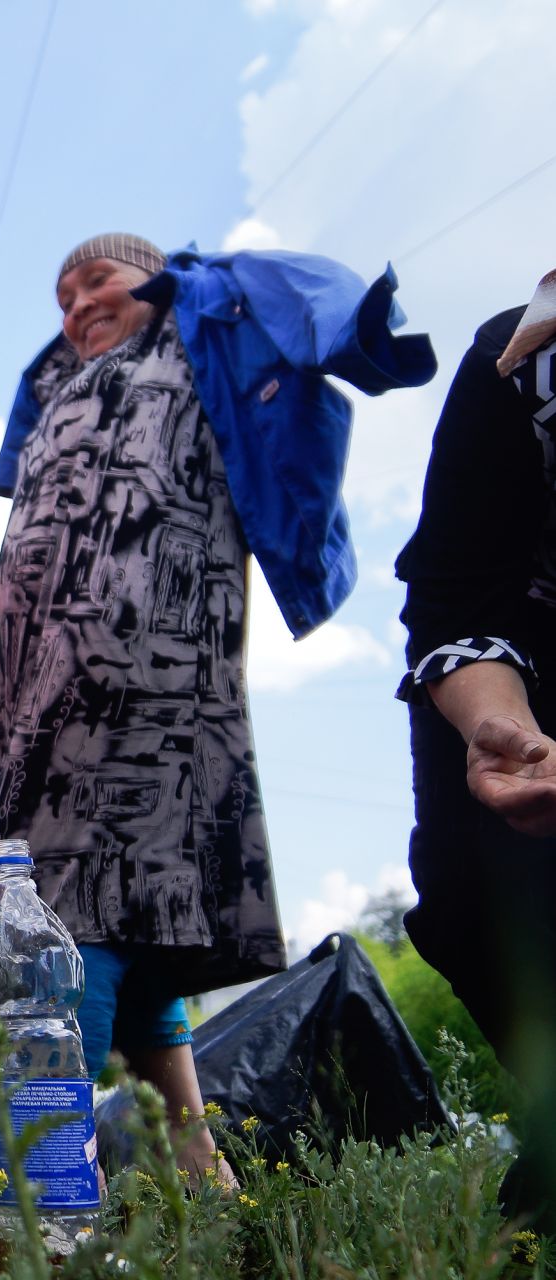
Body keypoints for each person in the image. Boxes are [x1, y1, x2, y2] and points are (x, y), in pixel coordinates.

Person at [0, 233, 435, 1183]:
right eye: (61, 295)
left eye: (97, 280)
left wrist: (317, 320)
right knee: (130, 926)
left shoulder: (197, 346)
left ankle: (36, 1195)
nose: (75, 305)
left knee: (74, 912)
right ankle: (213, 1198)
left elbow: (300, 309)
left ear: (154, 281)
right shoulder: (58, 394)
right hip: (35, 695)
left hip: (147, 672)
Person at [396, 270, 556, 1222]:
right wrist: (508, 727)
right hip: (532, 654)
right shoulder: (514, 360)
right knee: (472, 885)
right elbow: (452, 587)